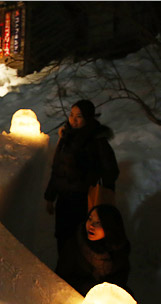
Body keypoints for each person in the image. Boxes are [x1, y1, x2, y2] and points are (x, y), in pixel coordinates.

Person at [44, 100, 119, 256]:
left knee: (80, 238)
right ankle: (63, 272)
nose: (73, 119)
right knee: (63, 237)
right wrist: (50, 196)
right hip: (64, 199)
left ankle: (79, 274)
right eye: (71, 115)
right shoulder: (66, 137)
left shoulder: (96, 139)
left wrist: (102, 192)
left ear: (88, 118)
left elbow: (110, 169)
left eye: (79, 116)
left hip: (84, 200)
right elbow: (57, 167)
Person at [56, 204, 130, 296]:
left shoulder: (119, 250)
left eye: (98, 223)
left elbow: (121, 278)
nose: (91, 226)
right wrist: (90, 288)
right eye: (90, 219)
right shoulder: (74, 245)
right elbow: (61, 277)